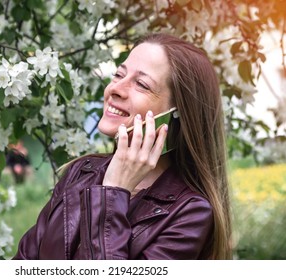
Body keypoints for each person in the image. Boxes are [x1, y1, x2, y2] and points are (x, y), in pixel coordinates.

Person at [13, 33, 232, 260]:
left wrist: (113, 191)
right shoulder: (81, 171)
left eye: (142, 84)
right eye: (119, 74)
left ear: (178, 113)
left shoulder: (190, 213)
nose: (115, 88)